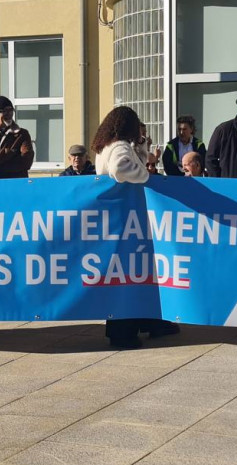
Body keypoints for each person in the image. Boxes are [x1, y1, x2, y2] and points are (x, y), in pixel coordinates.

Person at [92, 106, 181, 348]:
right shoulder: (119, 146)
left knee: (127, 273)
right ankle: (124, 331)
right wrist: (145, 176)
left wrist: (141, 151)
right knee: (130, 274)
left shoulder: (106, 145)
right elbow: (121, 169)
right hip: (125, 215)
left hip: (118, 216)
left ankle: (143, 323)